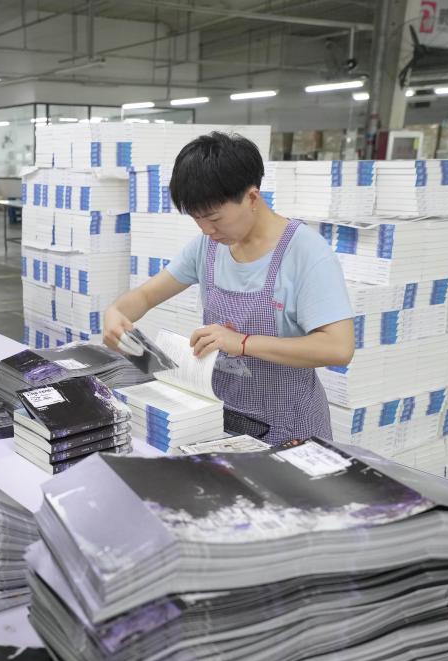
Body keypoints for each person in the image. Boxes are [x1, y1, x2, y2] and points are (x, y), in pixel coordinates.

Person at [103, 132, 355, 445]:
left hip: (288, 429)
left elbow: (338, 348)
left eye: (214, 218)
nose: (207, 230)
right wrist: (116, 313)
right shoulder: (208, 247)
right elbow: (145, 296)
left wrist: (243, 343)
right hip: (223, 418)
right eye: (197, 219)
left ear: (251, 198)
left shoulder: (306, 253)